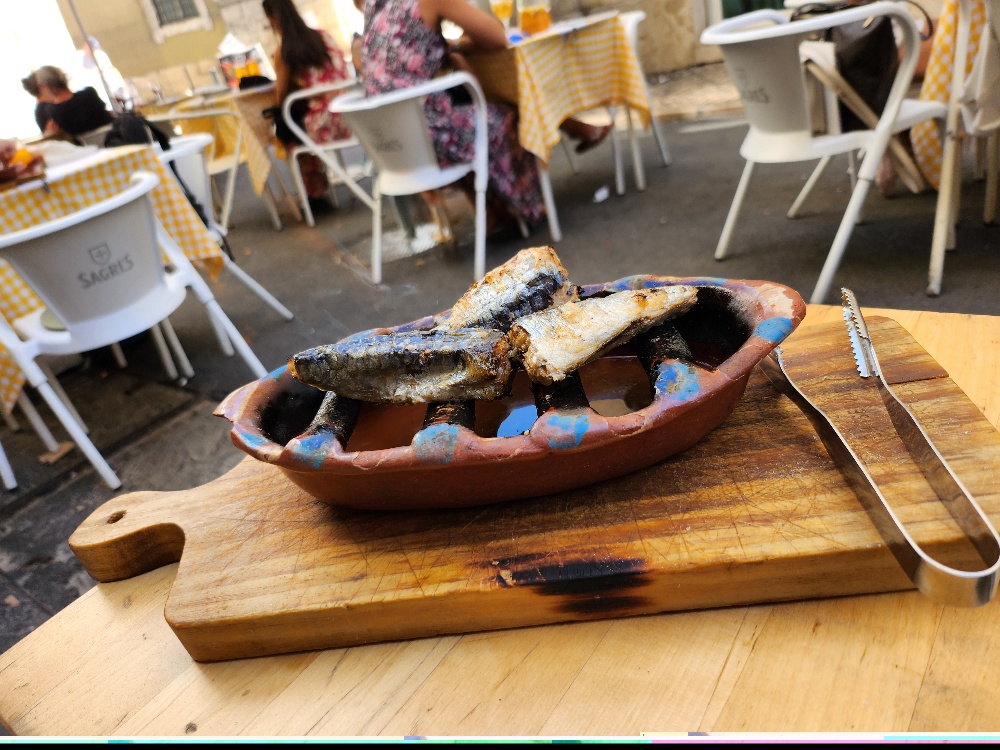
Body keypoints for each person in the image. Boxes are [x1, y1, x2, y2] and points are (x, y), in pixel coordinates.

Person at [360, 0, 610, 233]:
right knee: (508, 115)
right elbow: (497, 38)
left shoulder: (375, 5)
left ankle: (495, 212)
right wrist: (459, 47)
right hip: (428, 141)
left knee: (471, 105)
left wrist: (451, 48)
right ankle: (526, 208)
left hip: (391, 148)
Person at [262, 0, 353, 212]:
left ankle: (315, 192)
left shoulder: (285, 52)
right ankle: (318, 189)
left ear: (272, 20)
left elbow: (279, 98)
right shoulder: (323, 36)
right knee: (299, 121)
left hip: (325, 126)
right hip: (351, 115)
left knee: (290, 131)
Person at [20, 66, 113, 138]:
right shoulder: (90, 93)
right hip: (114, 141)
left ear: (46, 85)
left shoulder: (51, 113)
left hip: (86, 153)